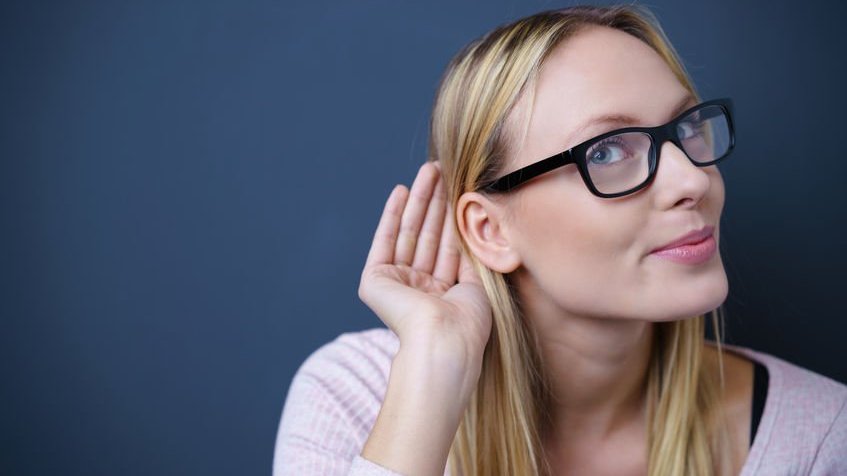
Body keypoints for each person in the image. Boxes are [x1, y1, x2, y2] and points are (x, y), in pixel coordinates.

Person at [273, 5, 847, 475]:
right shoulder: (354, 400)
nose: (694, 180)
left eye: (687, 128)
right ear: (490, 231)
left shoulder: (820, 437)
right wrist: (433, 370)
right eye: (606, 151)